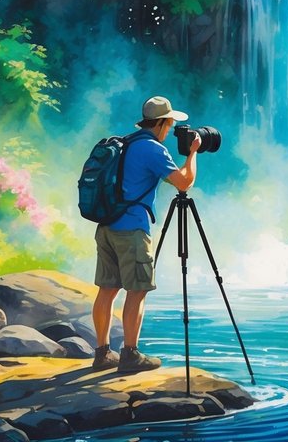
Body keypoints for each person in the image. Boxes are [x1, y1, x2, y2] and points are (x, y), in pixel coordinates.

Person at [91, 95, 201, 374]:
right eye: (170, 124)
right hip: (131, 229)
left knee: (107, 290)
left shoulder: (125, 142)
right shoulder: (153, 149)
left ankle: (102, 353)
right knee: (137, 290)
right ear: (162, 123)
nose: (171, 129)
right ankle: (130, 354)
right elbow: (184, 183)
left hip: (106, 226)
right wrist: (193, 153)